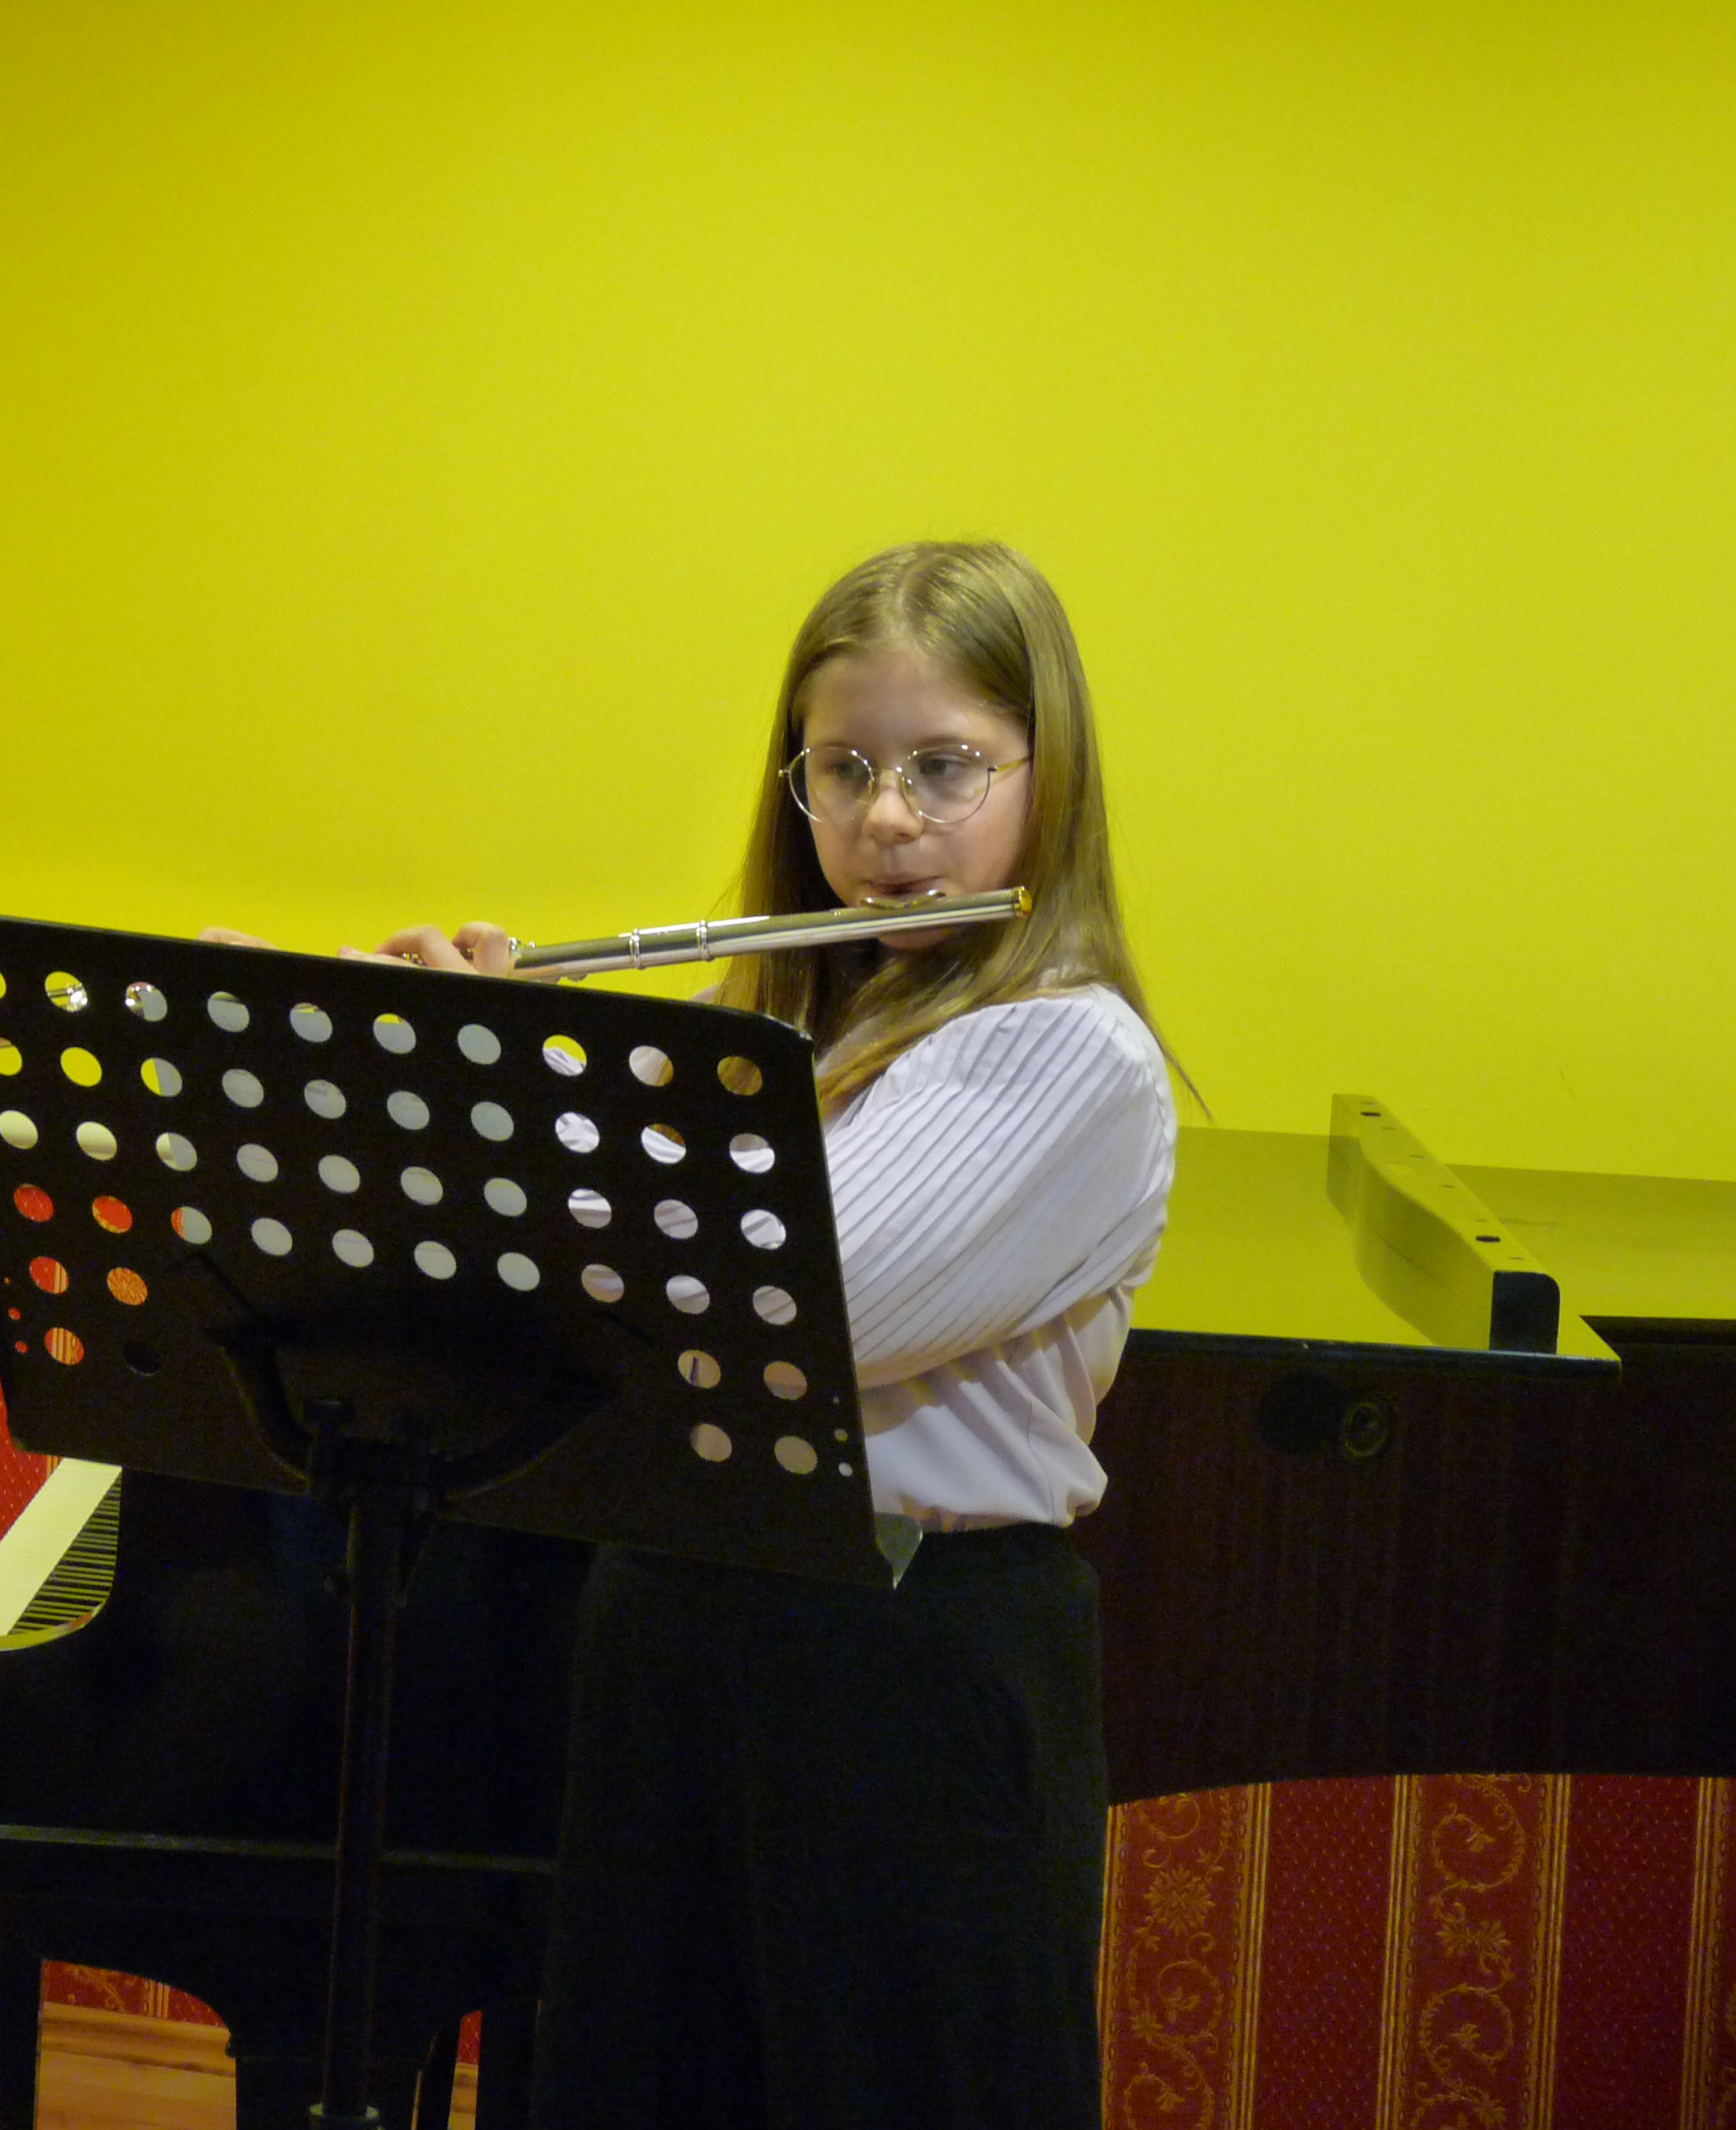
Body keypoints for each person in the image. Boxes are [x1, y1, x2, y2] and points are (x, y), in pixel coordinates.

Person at [362, 540, 1177, 2128]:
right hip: (680, 1625)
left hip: (901, 1670)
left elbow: (786, 1307)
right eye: (844, 769)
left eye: (947, 767)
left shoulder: (1068, 1056)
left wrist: (490, 1086)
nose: (889, 821)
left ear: (1048, 777)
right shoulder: (781, 1030)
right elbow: (566, 1264)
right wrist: (390, 1068)